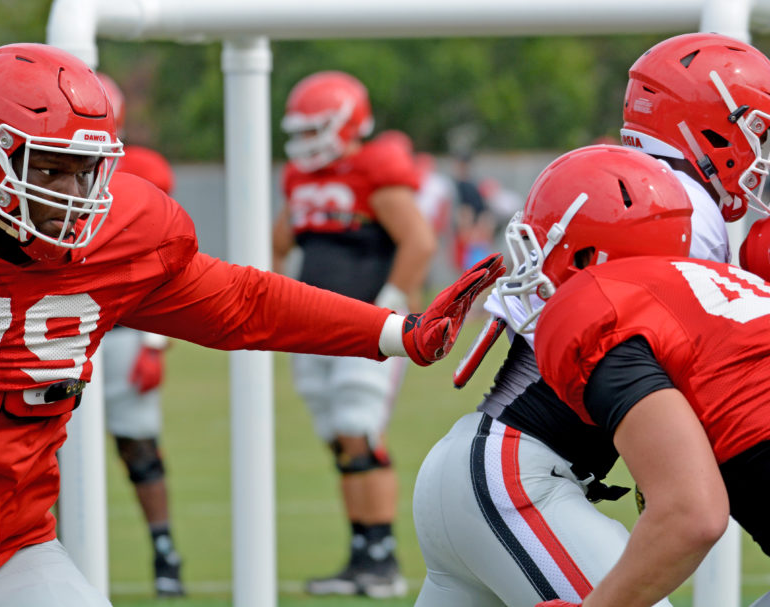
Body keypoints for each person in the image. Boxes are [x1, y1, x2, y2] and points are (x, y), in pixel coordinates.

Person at [0, 43, 503, 607]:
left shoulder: (121, 238)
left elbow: (241, 302)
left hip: (10, 549)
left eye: (87, 169)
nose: (75, 194)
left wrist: (391, 330)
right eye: (48, 168)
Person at [413, 32, 770, 607]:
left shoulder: (623, 183)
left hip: (482, 463)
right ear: (709, 124)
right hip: (521, 475)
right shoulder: (681, 208)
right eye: (757, 131)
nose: (762, 151)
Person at [500, 150, 770, 607]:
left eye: (544, 241)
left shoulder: (599, 302)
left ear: (588, 252)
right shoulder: (735, 287)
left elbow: (692, 514)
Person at [273, 70, 438, 598]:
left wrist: (392, 301)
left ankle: (383, 560)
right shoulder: (300, 179)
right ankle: (361, 555)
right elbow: (280, 240)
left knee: (358, 428)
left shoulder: (376, 170)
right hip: (314, 326)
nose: (304, 142)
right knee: (339, 437)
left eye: (315, 128)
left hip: (369, 326)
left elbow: (420, 241)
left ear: (347, 124)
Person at [93, 71, 186, 598]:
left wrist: (155, 343)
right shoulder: (38, 167)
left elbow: (166, 260)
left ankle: (165, 551)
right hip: (54, 325)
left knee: (139, 448)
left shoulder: (142, 171)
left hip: (125, 328)